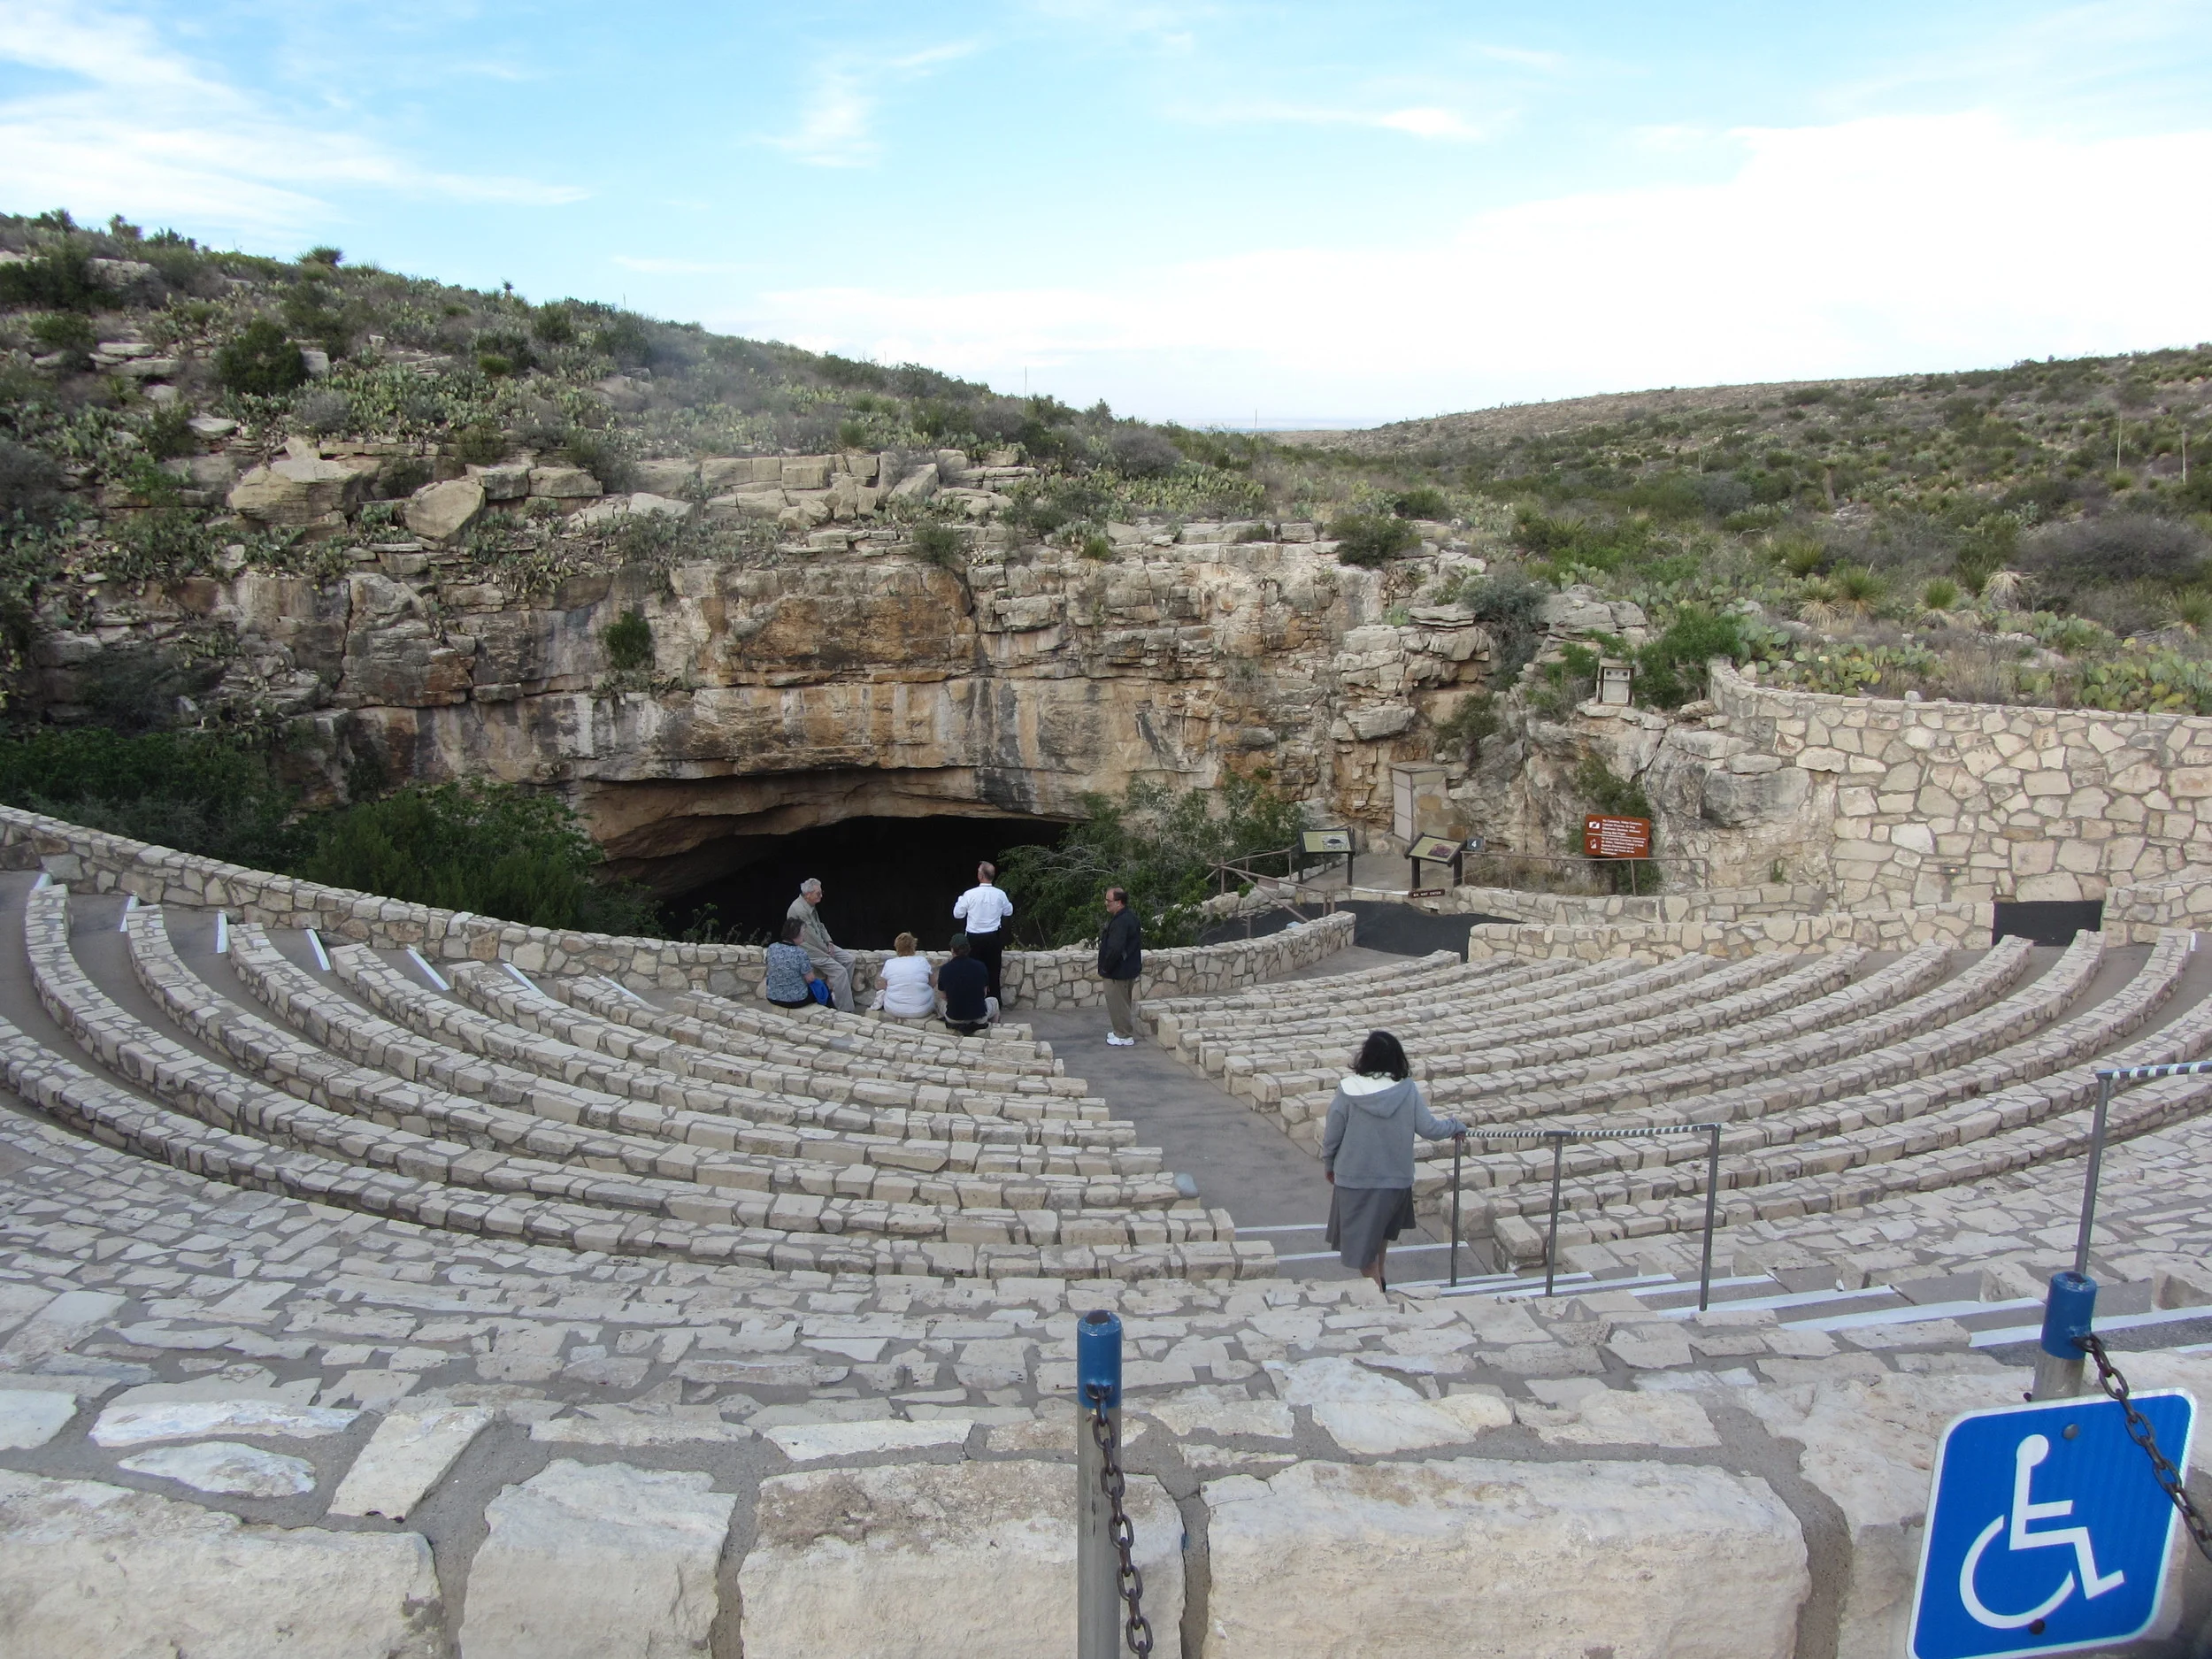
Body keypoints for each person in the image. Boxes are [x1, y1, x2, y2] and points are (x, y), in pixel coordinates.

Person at [1320, 1031, 1464, 1293]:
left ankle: (1377, 1292)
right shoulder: (1406, 1089)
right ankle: (1382, 1280)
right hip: (1395, 1181)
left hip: (1356, 1180)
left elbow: (1333, 1133)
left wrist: (1328, 1163)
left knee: (1361, 1249)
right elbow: (1429, 1128)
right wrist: (1455, 1125)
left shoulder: (1348, 1090)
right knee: (1379, 1237)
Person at [952, 861, 1015, 1011]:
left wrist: (960, 900)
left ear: (980, 875)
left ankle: (974, 1003)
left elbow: (957, 913)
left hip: (974, 938)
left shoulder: (970, 894)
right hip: (993, 937)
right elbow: (1009, 911)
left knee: (973, 972)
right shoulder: (1000, 894)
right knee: (994, 972)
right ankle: (995, 1005)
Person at [786, 878, 856, 1012]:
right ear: (808, 894)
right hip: (809, 949)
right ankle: (846, 1009)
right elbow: (810, 936)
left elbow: (820, 927)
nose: (821, 896)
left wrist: (829, 942)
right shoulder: (799, 909)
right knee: (839, 972)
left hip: (821, 945)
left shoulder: (810, 905)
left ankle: (840, 995)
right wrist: (826, 950)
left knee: (849, 959)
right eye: (818, 893)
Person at [1096, 886, 1142, 1047]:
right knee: (1121, 1002)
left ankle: (1124, 1035)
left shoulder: (1121, 922)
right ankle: (1119, 1030)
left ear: (1119, 902)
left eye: (1109, 901)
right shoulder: (1129, 917)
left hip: (1118, 972)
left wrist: (1106, 967)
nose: (1106, 903)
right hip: (1127, 969)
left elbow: (1115, 948)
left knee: (1118, 1004)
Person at [762, 917, 825, 1010]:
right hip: (795, 1000)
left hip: (773, 997)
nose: (804, 936)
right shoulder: (800, 953)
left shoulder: (772, 947)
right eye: (803, 933)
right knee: (820, 987)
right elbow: (810, 979)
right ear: (796, 934)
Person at [935, 933, 992, 1035]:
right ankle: (991, 1034)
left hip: (954, 1017)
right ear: (968, 949)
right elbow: (984, 993)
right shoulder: (981, 966)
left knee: (939, 1002)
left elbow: (942, 995)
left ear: (952, 950)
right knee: (994, 1002)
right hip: (979, 1016)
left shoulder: (945, 969)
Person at [874, 931, 935, 1019]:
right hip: (922, 1010)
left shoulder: (890, 963)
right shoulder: (922, 961)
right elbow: (932, 983)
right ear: (913, 946)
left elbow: (884, 986)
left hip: (893, 1009)